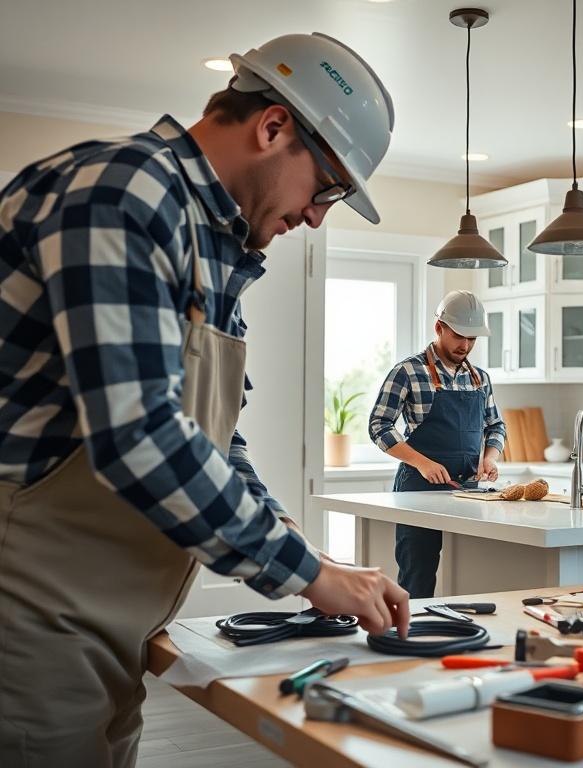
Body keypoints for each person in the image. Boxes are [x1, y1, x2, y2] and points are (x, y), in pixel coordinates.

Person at [0, 33, 409, 767]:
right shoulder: (124, 191)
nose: (318, 216)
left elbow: (212, 440)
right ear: (274, 126)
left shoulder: (215, 247)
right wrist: (310, 573)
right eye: (327, 187)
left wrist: (302, 550)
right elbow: (140, 434)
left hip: (107, 619)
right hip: (27, 608)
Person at [369, 290, 507, 598]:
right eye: (459, 336)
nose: (466, 346)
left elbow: (495, 425)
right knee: (418, 577)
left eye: (472, 339)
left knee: (474, 574)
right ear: (439, 328)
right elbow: (379, 425)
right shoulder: (408, 371)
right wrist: (422, 462)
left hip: (469, 494)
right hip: (419, 490)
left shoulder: (479, 378)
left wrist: (490, 458)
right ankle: (413, 640)